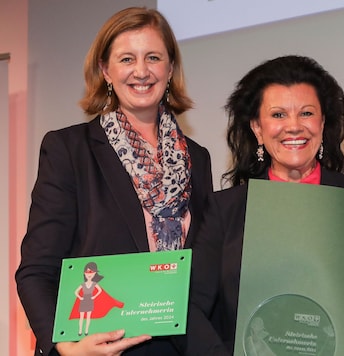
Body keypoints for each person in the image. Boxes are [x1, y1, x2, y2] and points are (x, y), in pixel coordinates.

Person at [15, 7, 213, 356]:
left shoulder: (198, 158)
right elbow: (36, 270)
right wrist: (65, 346)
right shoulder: (69, 150)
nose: (141, 71)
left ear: (170, 69)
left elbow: (206, 273)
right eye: (126, 59)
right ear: (106, 70)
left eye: (153, 57)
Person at [186, 55, 344, 354]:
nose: (294, 127)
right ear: (257, 127)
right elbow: (190, 308)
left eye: (306, 113)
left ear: (323, 122)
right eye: (278, 115)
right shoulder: (224, 210)